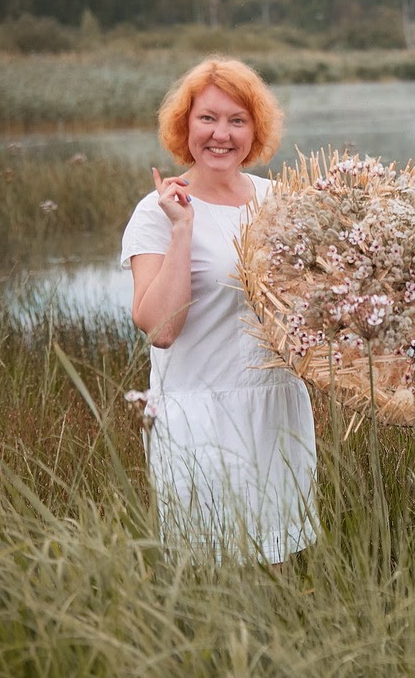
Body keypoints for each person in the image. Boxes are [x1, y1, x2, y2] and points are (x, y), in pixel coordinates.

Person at [121, 56, 318, 565]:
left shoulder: (281, 202)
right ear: (184, 125)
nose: (221, 135)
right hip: (198, 416)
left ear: (256, 130)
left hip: (277, 410)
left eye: (237, 120)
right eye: (207, 118)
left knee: (282, 569)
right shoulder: (156, 211)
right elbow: (161, 330)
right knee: (208, 574)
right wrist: (183, 228)